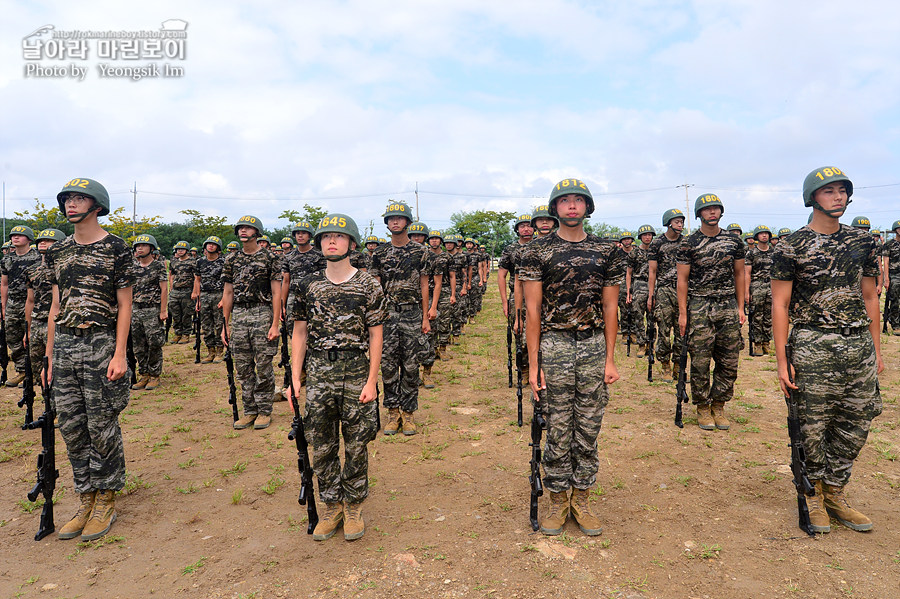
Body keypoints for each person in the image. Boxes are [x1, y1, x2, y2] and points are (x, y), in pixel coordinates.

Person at [773, 166, 883, 533]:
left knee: (856, 421)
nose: (838, 197)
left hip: (857, 344)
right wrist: (781, 361)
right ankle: (813, 494)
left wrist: (876, 350)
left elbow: (869, 296)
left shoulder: (862, 242)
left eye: (842, 191)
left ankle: (836, 491)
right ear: (812, 197)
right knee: (812, 424)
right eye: (829, 191)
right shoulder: (791, 246)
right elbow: (780, 305)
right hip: (813, 344)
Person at [520, 178, 623, 537]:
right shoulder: (537, 251)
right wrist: (533, 365)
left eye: (579, 200)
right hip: (555, 345)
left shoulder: (607, 251)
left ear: (588, 207)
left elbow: (611, 307)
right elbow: (532, 310)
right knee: (558, 424)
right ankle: (557, 497)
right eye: (565, 201)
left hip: (593, 345)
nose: (572, 206)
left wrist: (610, 359)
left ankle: (582, 496)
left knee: (589, 424)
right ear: (555, 208)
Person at [45, 177, 136, 541]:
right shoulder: (57, 252)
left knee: (101, 425)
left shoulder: (117, 248)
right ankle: (86, 496)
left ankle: (106, 499)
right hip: (65, 346)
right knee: (71, 426)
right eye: (67, 199)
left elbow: (125, 304)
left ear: (96, 204)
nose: (70, 204)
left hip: (100, 344)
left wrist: (119, 354)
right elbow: (55, 305)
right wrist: (50, 355)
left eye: (78, 199)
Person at [291, 214, 386, 541]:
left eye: (339, 236)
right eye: (326, 236)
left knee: (358, 441)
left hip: (356, 369)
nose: (332, 241)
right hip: (319, 371)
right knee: (321, 442)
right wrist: (294, 376)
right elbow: (300, 332)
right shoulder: (307, 285)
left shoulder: (369, 283)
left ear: (352, 243)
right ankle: (331, 505)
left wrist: (372, 380)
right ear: (318, 244)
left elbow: (376, 335)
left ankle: (354, 506)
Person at [676, 194, 745, 431]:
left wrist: (741, 307)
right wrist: (683, 313)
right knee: (701, 360)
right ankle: (702, 406)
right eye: (707, 209)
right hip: (699, 304)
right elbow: (682, 280)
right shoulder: (689, 243)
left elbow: (739, 275)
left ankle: (719, 404)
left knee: (728, 359)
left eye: (716, 208)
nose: (712, 212)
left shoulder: (734, 241)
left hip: (727, 304)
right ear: (699, 214)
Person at [369, 202, 430, 436]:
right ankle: (393, 412)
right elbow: (375, 286)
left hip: (412, 313)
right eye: (391, 218)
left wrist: (425, 317)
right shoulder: (380, 253)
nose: (395, 221)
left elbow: (425, 284)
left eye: (399, 218)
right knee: (388, 364)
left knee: (411, 365)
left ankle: (409, 412)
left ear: (407, 222)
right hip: (387, 314)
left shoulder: (420, 252)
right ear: (387, 223)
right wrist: (374, 318)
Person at [221, 215, 281, 430]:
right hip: (239, 315)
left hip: (262, 312)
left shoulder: (270, 258)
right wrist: (225, 324)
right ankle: (249, 410)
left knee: (264, 364)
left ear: (257, 232)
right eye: (241, 228)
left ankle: (264, 410)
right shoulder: (231, 260)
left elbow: (276, 292)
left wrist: (275, 323)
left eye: (248, 228)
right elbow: (228, 292)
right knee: (243, 367)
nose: (243, 231)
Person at [24, 228, 66, 389]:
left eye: (49, 240)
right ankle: (47, 401)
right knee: (37, 366)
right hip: (37, 321)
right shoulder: (32, 270)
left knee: (57, 365)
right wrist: (27, 329)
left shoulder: (65, 270)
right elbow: (30, 300)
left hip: (58, 322)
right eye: (40, 240)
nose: (43, 242)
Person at [647, 209, 685, 381]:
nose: (680, 225)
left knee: (681, 330)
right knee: (663, 329)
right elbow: (652, 271)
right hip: (663, 290)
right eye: (677, 222)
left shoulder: (686, 243)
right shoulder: (657, 243)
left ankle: (679, 365)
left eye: (681, 222)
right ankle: (665, 365)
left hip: (683, 291)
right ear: (668, 223)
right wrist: (650, 295)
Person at [2, 225, 41, 386]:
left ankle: (36, 372)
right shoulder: (7, 259)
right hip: (13, 303)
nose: (15, 238)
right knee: (12, 336)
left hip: (33, 302)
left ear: (29, 239)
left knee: (34, 337)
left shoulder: (37, 257)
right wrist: (3, 306)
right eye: (13, 235)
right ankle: (22, 371)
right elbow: (4, 284)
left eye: (20, 235)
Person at [130, 234, 168, 390]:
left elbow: (164, 288)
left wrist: (163, 310)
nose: (140, 248)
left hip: (152, 310)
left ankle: (154, 375)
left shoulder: (158, 266)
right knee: (138, 345)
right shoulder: (133, 267)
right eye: (138, 246)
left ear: (151, 248)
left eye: (143, 245)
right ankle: (144, 374)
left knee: (154, 343)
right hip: (136, 310)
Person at [192, 236, 226, 364]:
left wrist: (224, 299)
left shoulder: (223, 262)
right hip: (204, 295)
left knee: (219, 324)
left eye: (214, 244)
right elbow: (197, 280)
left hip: (219, 294)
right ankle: (210, 350)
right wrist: (198, 298)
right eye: (208, 244)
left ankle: (219, 350)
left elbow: (227, 283)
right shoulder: (200, 262)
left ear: (218, 247)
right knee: (206, 325)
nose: (211, 246)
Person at [626, 224, 655, 357]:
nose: (647, 237)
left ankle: (651, 344)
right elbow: (629, 273)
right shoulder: (634, 252)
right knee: (638, 315)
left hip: (653, 285)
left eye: (649, 234)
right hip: (638, 284)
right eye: (644, 235)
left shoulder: (656, 251)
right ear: (640, 237)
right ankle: (641, 344)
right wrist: (628, 291)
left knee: (652, 317)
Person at [745, 225, 774, 355]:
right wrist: (747, 292)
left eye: (766, 233)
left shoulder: (774, 252)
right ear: (757, 236)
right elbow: (747, 273)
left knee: (769, 316)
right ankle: (757, 343)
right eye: (761, 234)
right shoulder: (751, 253)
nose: (764, 236)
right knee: (757, 316)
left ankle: (766, 342)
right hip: (756, 286)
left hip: (771, 286)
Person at [168, 241, 196, 343]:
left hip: (187, 291)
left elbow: (196, 277)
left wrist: (195, 291)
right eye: (178, 249)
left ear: (187, 250)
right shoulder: (174, 262)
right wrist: (171, 288)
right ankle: (178, 333)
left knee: (187, 314)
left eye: (182, 249)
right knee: (175, 313)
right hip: (175, 291)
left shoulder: (193, 262)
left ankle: (186, 334)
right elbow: (171, 275)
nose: (180, 251)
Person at [882, 220, 900, 332]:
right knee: (895, 301)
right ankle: (895, 324)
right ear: (895, 230)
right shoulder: (889, 244)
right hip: (894, 276)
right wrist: (886, 279)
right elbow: (886, 263)